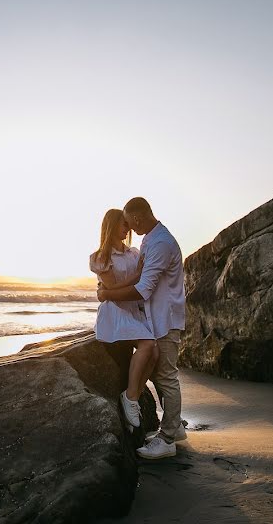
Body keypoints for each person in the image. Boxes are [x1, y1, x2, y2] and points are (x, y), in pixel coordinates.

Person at [97, 197, 186, 459]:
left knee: (167, 377)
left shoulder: (159, 243)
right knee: (161, 374)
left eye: (129, 222)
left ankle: (168, 437)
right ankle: (175, 426)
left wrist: (108, 295)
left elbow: (143, 288)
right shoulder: (151, 238)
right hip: (155, 316)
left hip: (165, 318)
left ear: (136, 218)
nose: (129, 229)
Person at [90, 208, 159, 431]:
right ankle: (130, 398)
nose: (127, 228)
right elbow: (111, 288)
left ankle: (132, 398)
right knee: (148, 344)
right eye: (123, 224)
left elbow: (137, 284)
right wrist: (136, 278)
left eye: (128, 224)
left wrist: (136, 281)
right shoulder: (101, 257)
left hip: (133, 310)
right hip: (115, 312)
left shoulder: (133, 253)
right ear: (110, 226)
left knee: (154, 352)